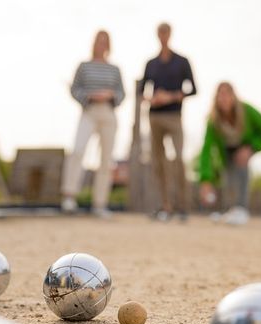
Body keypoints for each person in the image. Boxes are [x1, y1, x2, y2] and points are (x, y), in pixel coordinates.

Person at [61, 30, 125, 218]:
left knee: (106, 159)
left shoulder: (115, 69)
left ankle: (100, 203)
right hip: (88, 111)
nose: (102, 44)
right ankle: (69, 196)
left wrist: (110, 96)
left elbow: (122, 93)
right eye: (99, 40)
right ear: (94, 42)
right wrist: (88, 96)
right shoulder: (84, 66)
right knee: (78, 150)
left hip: (108, 111)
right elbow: (74, 88)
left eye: (105, 41)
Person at [140, 23, 197, 221]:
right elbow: (141, 91)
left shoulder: (182, 61)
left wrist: (171, 97)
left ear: (170, 34)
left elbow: (193, 89)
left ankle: (183, 206)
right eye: (160, 33)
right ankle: (165, 206)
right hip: (154, 116)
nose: (163, 36)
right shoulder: (151, 63)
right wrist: (152, 99)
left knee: (179, 159)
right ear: (157, 35)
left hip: (174, 116)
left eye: (166, 32)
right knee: (158, 162)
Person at [198, 82, 261, 225]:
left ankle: (242, 208)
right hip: (226, 150)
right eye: (220, 95)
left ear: (233, 96)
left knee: (242, 173)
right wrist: (205, 179)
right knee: (228, 179)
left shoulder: (247, 111)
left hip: (244, 148)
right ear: (216, 99)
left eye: (227, 94)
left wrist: (251, 148)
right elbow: (206, 150)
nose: (224, 98)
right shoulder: (213, 120)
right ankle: (231, 209)